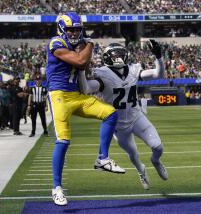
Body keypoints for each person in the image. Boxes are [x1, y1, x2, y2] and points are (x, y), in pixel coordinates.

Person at [46, 12, 124, 206]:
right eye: (71, 29)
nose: (74, 33)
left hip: (77, 95)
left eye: (77, 30)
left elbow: (84, 68)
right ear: (62, 29)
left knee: (110, 113)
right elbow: (80, 61)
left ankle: (102, 158)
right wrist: (90, 43)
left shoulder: (76, 46)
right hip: (59, 96)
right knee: (63, 141)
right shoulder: (56, 43)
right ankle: (56, 188)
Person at [79, 40, 168, 190]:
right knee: (133, 154)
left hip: (137, 117)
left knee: (158, 147)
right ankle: (141, 170)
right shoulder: (103, 74)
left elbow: (158, 74)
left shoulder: (133, 70)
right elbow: (86, 88)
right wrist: (81, 70)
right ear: (107, 57)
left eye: (121, 54)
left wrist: (158, 56)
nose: (119, 58)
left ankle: (156, 161)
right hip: (118, 125)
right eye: (115, 55)